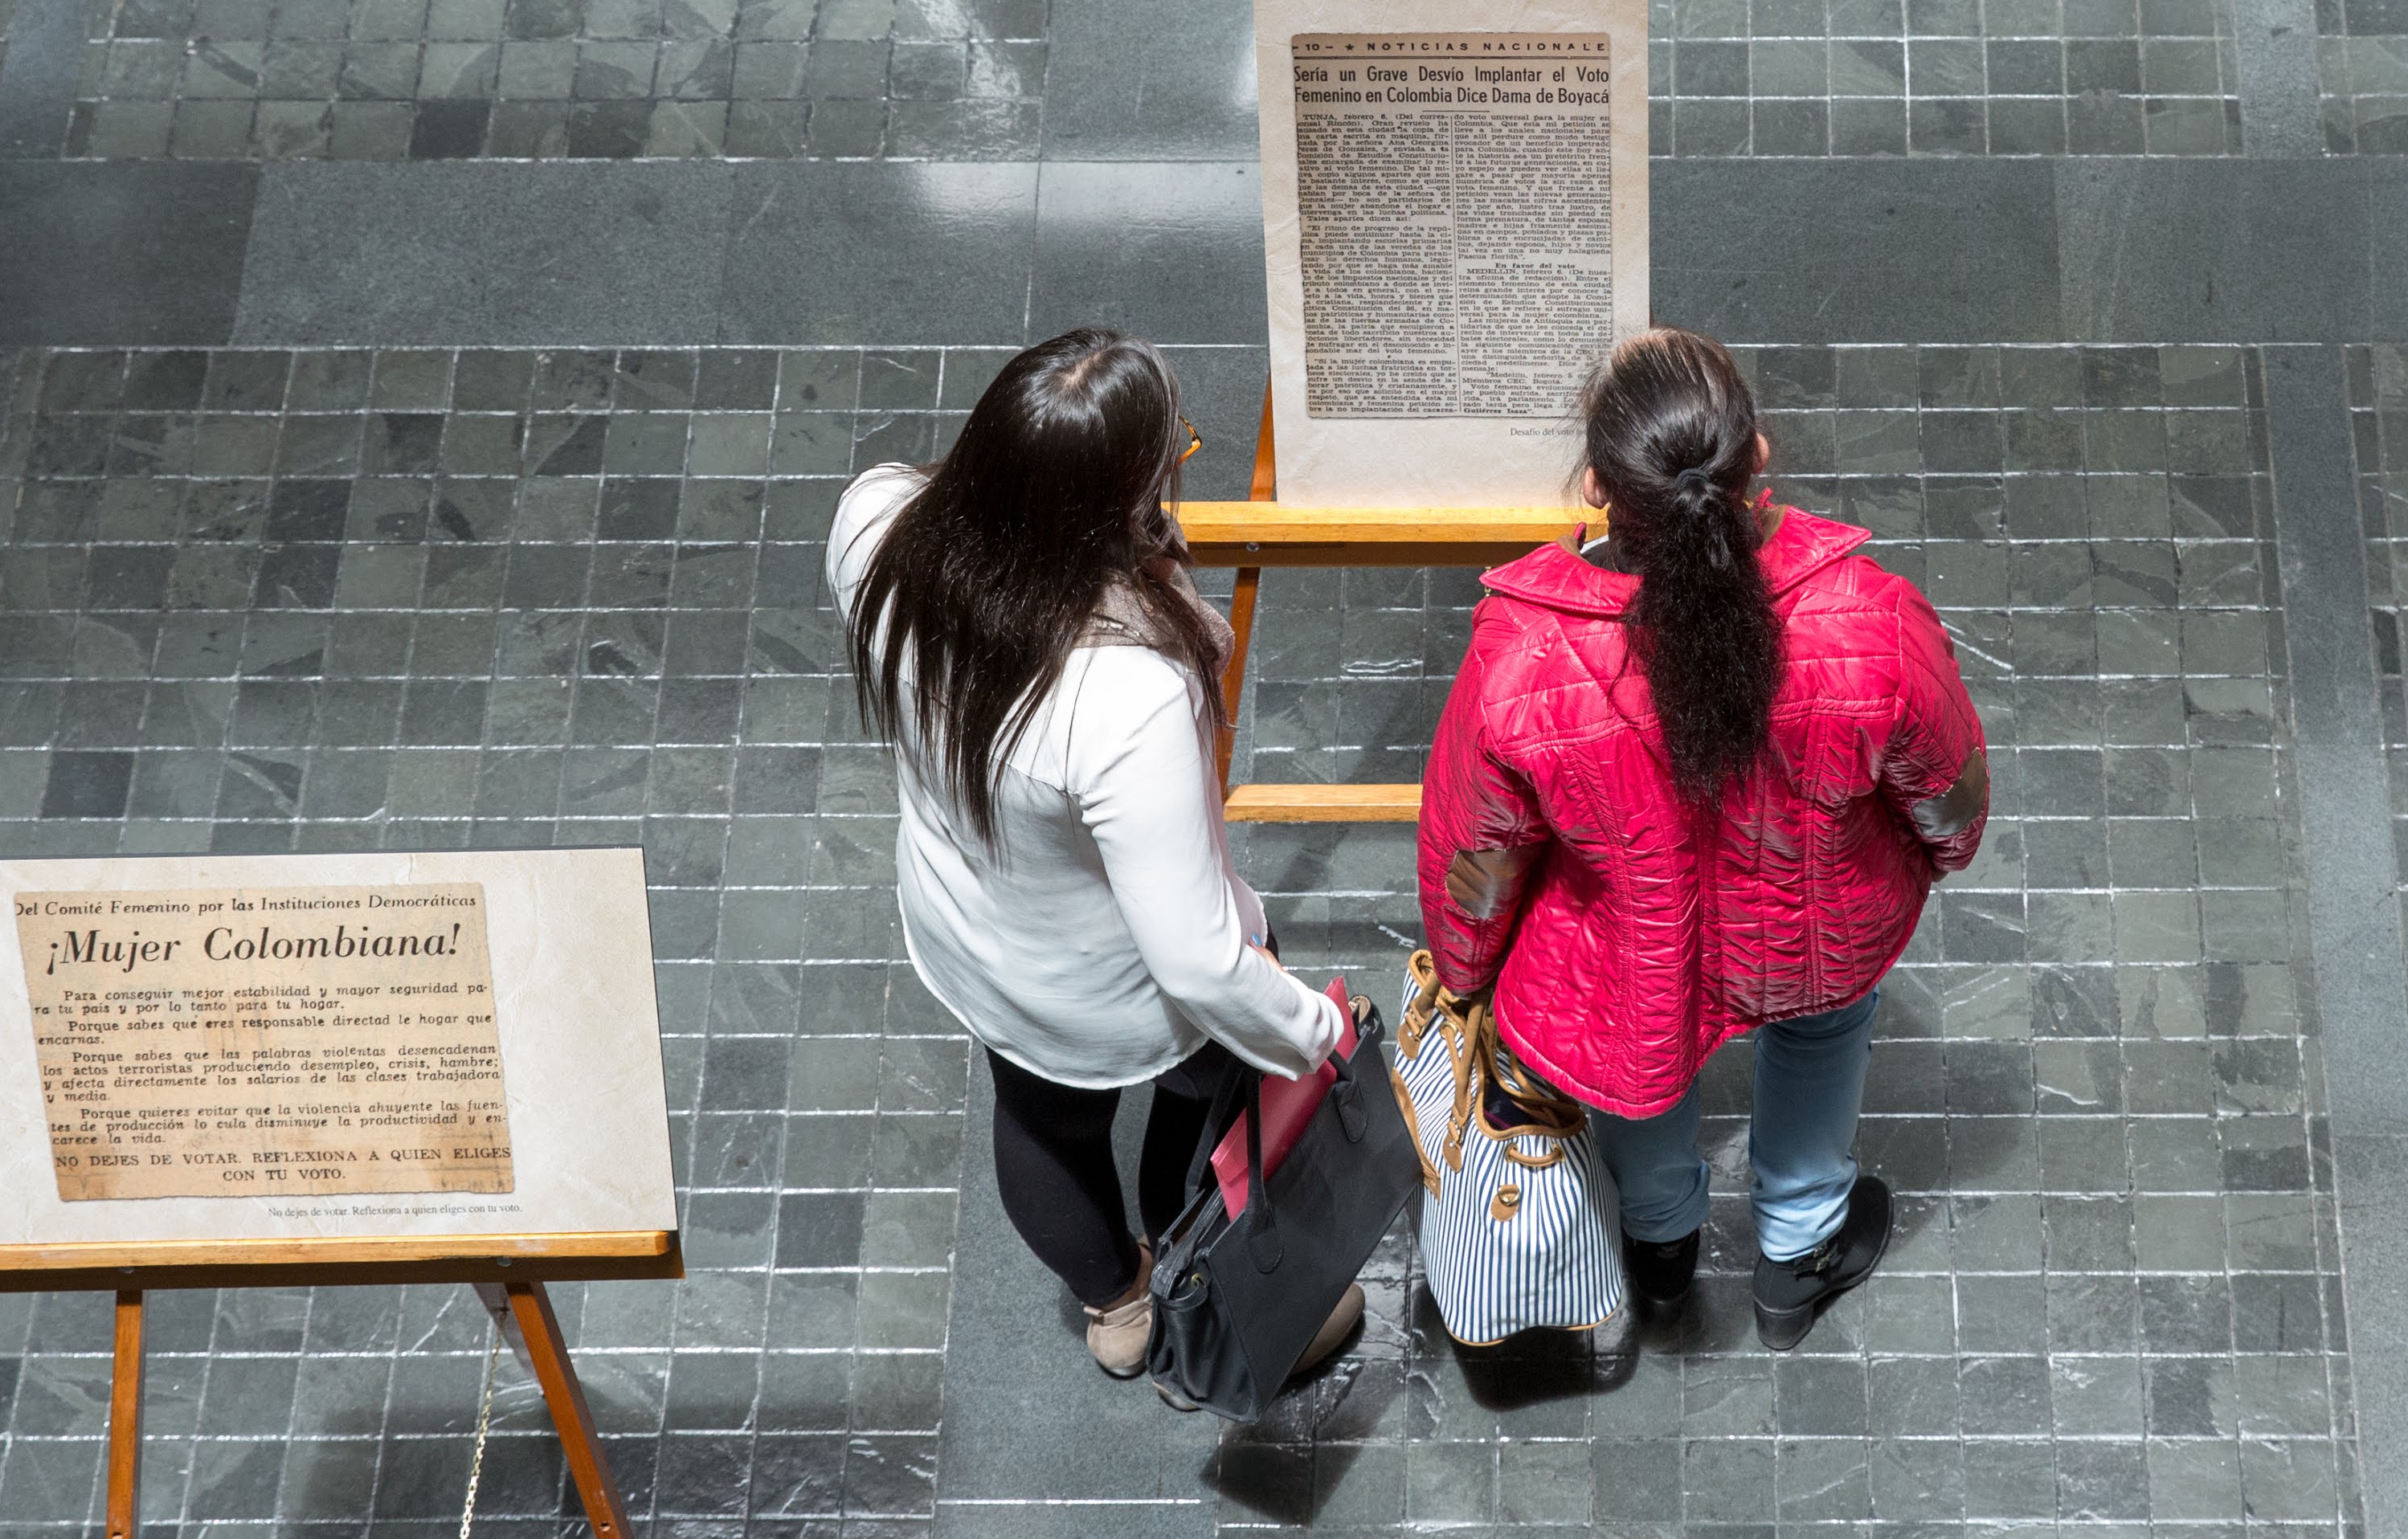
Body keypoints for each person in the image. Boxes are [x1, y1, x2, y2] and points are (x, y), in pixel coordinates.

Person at [1417, 327, 1989, 1348]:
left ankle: (1661, 1247)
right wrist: (1937, 854)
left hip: (1630, 950)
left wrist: (1465, 969)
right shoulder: (1866, 613)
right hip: (1821, 925)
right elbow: (1946, 791)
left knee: (1643, 1055)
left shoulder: (1523, 654)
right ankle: (1797, 1250)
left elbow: (1479, 853)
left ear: (1595, 486)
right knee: (1818, 1032)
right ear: (1755, 457)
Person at [831, 328, 1359, 1390]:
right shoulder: (1124, 694)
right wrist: (1316, 1032)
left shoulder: (874, 518)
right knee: (1215, 1071)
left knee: (1037, 1116)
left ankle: (1117, 1307)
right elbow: (1200, 963)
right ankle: (1189, 1234)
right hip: (1108, 982)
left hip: (970, 928)